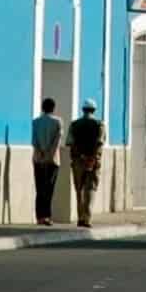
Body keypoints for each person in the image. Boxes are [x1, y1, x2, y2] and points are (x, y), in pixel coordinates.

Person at [67, 99, 106, 228]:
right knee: (91, 189)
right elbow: (100, 142)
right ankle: (87, 218)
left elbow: (69, 142)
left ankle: (80, 218)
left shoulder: (74, 124)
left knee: (79, 189)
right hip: (93, 161)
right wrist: (92, 158)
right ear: (94, 110)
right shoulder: (100, 124)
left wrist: (81, 155)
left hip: (78, 160)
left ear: (83, 110)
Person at [31, 97, 64, 225]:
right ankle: (47, 216)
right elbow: (57, 141)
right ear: (53, 108)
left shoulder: (36, 122)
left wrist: (41, 153)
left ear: (42, 108)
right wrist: (49, 154)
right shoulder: (58, 122)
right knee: (49, 188)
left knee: (39, 188)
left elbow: (34, 141)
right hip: (53, 160)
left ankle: (39, 217)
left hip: (38, 159)